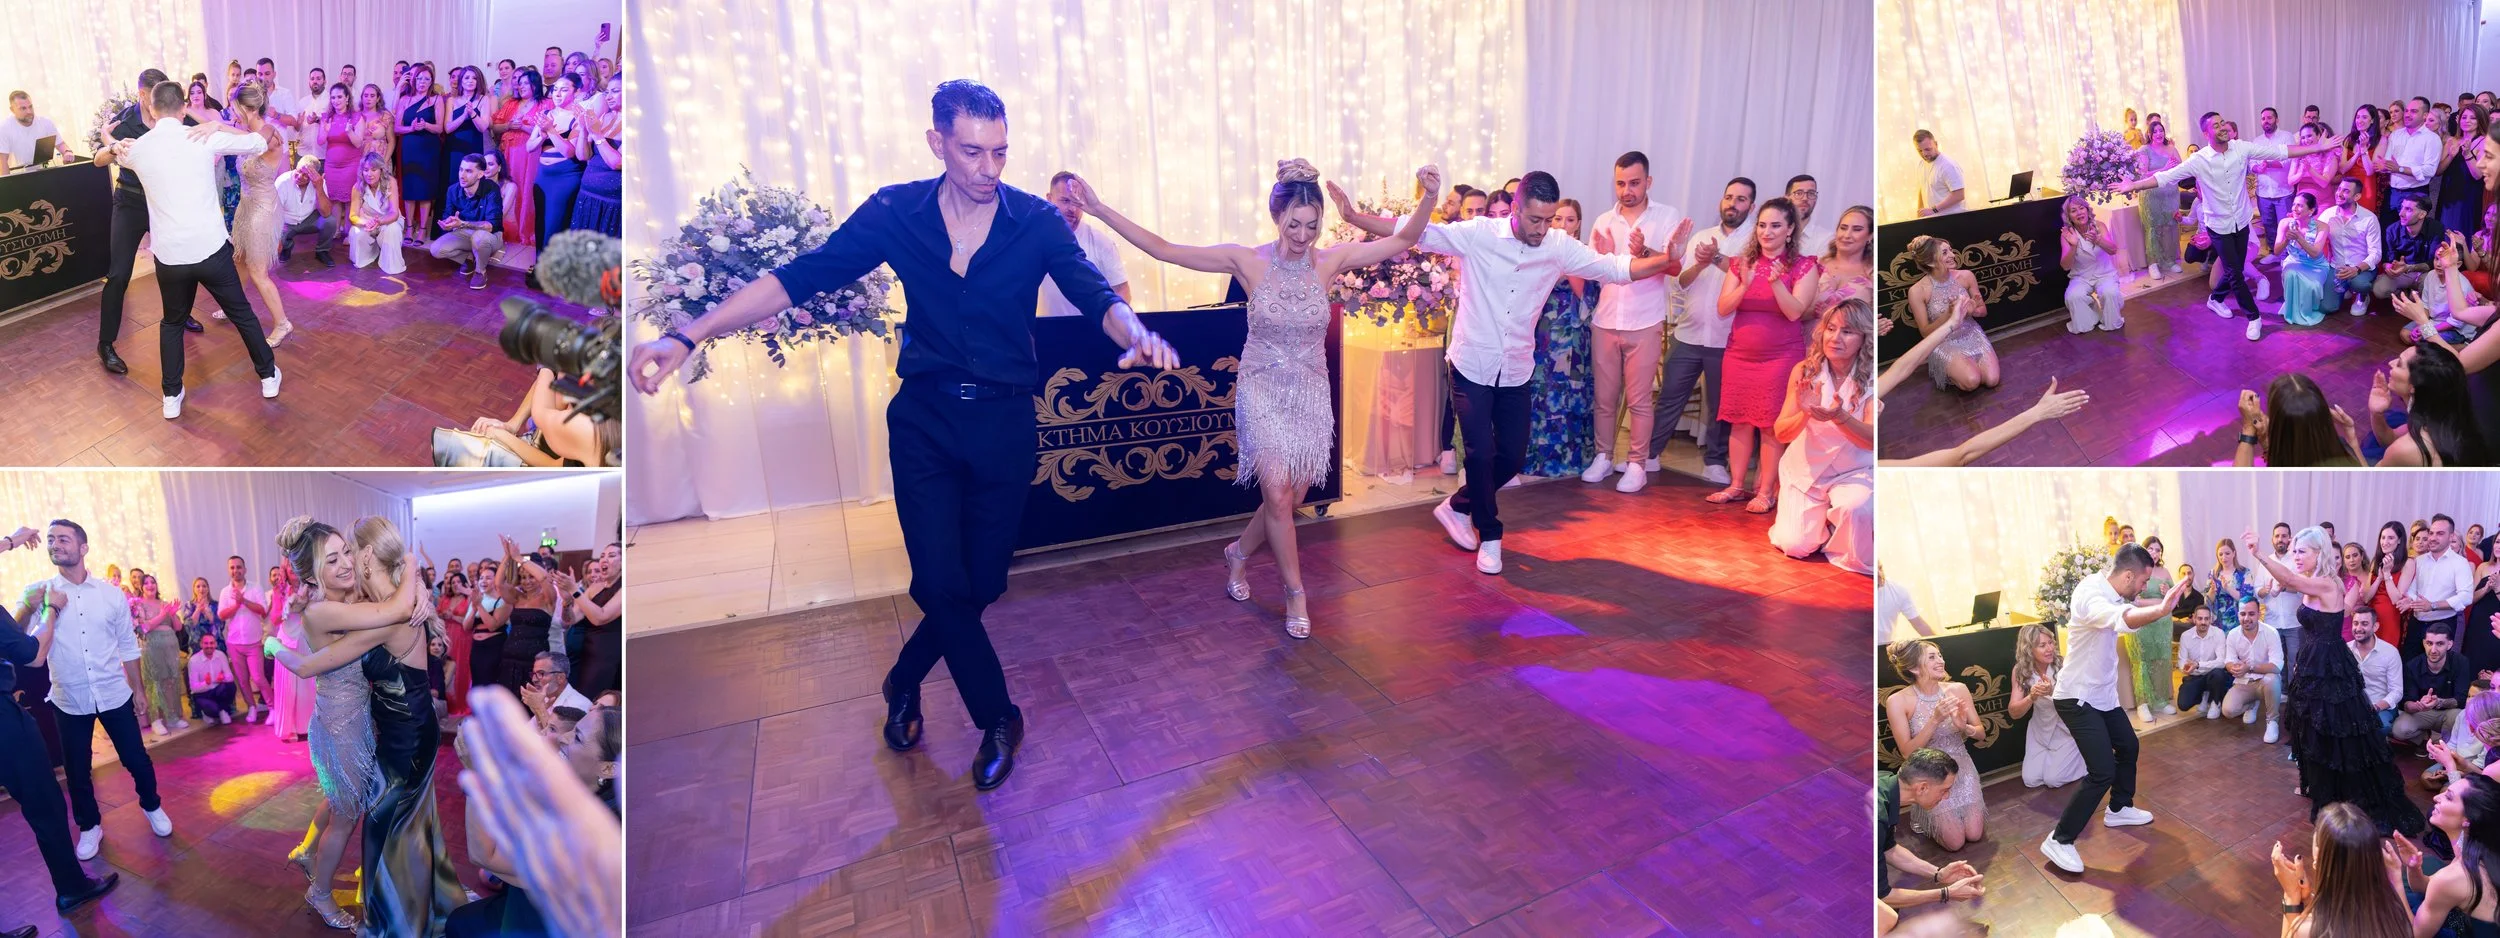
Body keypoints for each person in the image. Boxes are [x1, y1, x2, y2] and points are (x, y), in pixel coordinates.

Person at [626, 80, 1179, 790]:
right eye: (972, 152)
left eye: (1000, 153)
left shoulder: (1036, 221)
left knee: (979, 586)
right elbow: (797, 278)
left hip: (1005, 424)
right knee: (937, 581)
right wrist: (686, 335)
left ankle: (902, 678)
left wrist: (1131, 330)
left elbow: (1089, 289)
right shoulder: (896, 212)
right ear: (937, 142)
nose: (989, 169)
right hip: (925, 420)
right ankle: (999, 717)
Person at [1081, 160, 1436, 635]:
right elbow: (1166, 250)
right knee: (1275, 490)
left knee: (1288, 501)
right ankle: (1295, 594)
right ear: (1277, 216)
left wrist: (1428, 198)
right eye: (1294, 224)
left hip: (1310, 392)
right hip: (1261, 388)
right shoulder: (1247, 261)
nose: (1303, 235)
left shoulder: (1330, 261)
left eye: (1312, 225)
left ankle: (1238, 552)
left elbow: (1402, 240)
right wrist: (1101, 209)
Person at [1334, 173, 1683, 571]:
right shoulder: (1479, 234)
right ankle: (1492, 535)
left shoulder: (1557, 246)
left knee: (1512, 457)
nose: (1543, 228)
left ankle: (1458, 505)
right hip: (1471, 364)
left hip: (1516, 368)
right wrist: (1352, 216)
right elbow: (1412, 232)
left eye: (1550, 219)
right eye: (1535, 219)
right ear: (1515, 210)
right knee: (1481, 453)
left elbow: (1616, 268)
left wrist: (1668, 259)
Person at [268, 516, 463, 936]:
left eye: (346, 553)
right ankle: (320, 892)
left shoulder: (351, 600)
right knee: (348, 814)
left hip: (364, 724)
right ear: (311, 573)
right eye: (332, 559)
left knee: (347, 803)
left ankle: (309, 852)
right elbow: (393, 611)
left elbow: (392, 606)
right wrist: (413, 565)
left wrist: (421, 592)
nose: (343, 564)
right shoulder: (324, 610)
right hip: (342, 728)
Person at [95, 80, 284, 418]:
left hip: (171, 257)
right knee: (241, 313)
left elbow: (103, 158)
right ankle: (268, 375)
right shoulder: (204, 136)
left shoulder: (139, 147)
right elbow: (261, 140)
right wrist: (218, 125)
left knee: (171, 323)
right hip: (210, 249)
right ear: (183, 108)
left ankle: (171, 396)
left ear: (153, 110)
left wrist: (109, 141)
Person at [2246, 525, 2427, 835]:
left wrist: (2257, 553)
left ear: (2319, 553)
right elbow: (2317, 607)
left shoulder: (2328, 584)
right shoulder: (2316, 584)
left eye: (2302, 551)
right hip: (2313, 661)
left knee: (2334, 728)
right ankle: (2320, 785)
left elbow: (2288, 579)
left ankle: (2338, 791)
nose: (2296, 556)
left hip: (2330, 664)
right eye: (2295, 552)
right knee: (2312, 728)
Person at [26, 520, 175, 862]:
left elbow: (127, 645)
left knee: (136, 759)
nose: (54, 544)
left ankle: (152, 806)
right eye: (50, 540)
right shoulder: (42, 592)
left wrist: (138, 689)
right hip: (69, 698)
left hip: (112, 693)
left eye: (63, 539)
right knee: (77, 771)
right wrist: (36, 606)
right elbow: (22, 637)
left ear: (83, 547)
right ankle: (90, 826)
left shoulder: (110, 595)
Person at [2117, 117, 2339, 340]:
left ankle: (2215, 299)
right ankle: (2254, 318)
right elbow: (2164, 177)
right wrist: (2134, 185)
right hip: (2219, 226)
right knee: (2234, 272)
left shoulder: (2241, 148)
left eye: (2222, 123)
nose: (2222, 127)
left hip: (2241, 222)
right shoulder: (2199, 159)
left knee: (2235, 266)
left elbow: (2281, 152)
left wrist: (2317, 147)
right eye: (2215, 125)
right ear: (2206, 134)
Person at [2039, 543, 2188, 875]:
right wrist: (2162, 610)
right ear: (2129, 575)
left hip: (2101, 695)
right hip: (2076, 697)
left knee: (2129, 745)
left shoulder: (2110, 588)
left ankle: (2119, 808)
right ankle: (2060, 839)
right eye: (2142, 582)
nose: (2142, 588)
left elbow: (2126, 612)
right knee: (2102, 770)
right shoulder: (2090, 595)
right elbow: (2121, 618)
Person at [0, 527, 119, 926]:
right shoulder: (49, 594)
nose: (54, 545)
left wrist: (13, 541)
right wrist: (50, 608)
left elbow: (7, 640)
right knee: (45, 803)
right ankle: (72, 887)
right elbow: (32, 655)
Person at [1703, 197, 1823, 514]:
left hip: (1780, 356)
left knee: (1771, 424)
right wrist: (1746, 284)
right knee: (1739, 420)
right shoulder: (1741, 263)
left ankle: (1767, 490)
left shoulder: (1803, 265)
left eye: (1775, 225)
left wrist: (1775, 284)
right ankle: (1736, 485)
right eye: (1761, 225)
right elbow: (1723, 307)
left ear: (1790, 229)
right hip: (1739, 354)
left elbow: (1796, 312)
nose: (1766, 232)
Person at [1579, 151, 1688, 493]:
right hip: (1606, 320)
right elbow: (1591, 272)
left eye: (1634, 183)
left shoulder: (1666, 216)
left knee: (1640, 400)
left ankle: (1638, 463)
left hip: (1645, 321)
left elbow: (1674, 268)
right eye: (1621, 183)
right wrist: (1602, 255)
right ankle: (1603, 456)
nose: (1627, 190)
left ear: (1648, 182)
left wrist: (1643, 252)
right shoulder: (1602, 220)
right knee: (1604, 397)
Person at [1648, 177, 1753, 486]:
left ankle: (1715, 461)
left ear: (1752, 206)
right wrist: (1701, 263)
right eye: (1729, 197)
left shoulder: (1755, 242)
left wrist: (1716, 259)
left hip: (1729, 340)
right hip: (1688, 335)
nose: (1733, 203)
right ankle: (1650, 455)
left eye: (1741, 199)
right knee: (1669, 398)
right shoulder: (1700, 237)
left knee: (1722, 406)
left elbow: (1748, 275)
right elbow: (1682, 281)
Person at [95, 69, 189, 377]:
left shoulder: (171, 117)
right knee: (119, 274)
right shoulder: (124, 120)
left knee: (178, 262)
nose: (159, 102)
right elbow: (98, 159)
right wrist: (111, 147)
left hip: (160, 201)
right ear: (142, 95)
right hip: (130, 202)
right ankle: (105, 344)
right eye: (153, 96)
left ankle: (181, 315)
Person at [1768, 297, 1873, 573]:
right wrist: (1805, 412)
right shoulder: (1804, 371)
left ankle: (1837, 516)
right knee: (1795, 546)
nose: (1835, 338)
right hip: (1806, 471)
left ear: (1864, 339)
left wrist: (1842, 417)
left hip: (1854, 470)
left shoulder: (1873, 378)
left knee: (1857, 510)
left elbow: (1872, 441)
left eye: (1847, 331)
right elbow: (1780, 433)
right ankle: (1820, 519)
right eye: (1831, 328)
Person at [1884, 639, 1985, 851]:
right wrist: (1935, 720)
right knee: (1955, 843)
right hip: (1928, 778)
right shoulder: (1898, 701)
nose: (1941, 660)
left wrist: (1963, 727)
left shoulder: (1958, 689)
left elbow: (1981, 734)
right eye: (1932, 657)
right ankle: (1921, 813)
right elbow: (1906, 752)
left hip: (1962, 769)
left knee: (1975, 835)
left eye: (1939, 655)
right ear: (1913, 668)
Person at [1522, 197, 1597, 479]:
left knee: (1572, 397)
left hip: (1575, 336)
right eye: (1558, 219)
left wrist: (1570, 268)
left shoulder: (1585, 254)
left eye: (1569, 219)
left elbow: (1591, 300)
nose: (1563, 225)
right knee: (1539, 395)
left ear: (1578, 225)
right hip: (1541, 335)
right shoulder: (1536, 251)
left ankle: (1572, 459)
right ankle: (1535, 459)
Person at [1874, 748, 1985, 935]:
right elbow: (1882, 896)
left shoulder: (1885, 783)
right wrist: (1946, 894)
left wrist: (1938, 874)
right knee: (1887, 918)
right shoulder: (1876, 816)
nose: (1947, 796)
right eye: (1945, 790)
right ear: (1922, 787)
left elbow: (1888, 849)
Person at [2271, 802, 2413, 936]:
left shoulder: (2308, 930)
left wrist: (2291, 896)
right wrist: (2308, 899)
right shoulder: (2395, 911)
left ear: (2319, 859)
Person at [226, 84, 297, 346]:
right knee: (240, 258)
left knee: (257, 270)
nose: (233, 113)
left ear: (248, 108)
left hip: (263, 208)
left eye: (235, 108)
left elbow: (261, 136)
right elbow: (227, 130)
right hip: (247, 204)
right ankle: (233, 304)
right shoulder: (249, 133)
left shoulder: (269, 136)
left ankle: (282, 323)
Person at [1901, 235, 1997, 391]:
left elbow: (1982, 311)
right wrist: (1949, 315)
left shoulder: (1966, 276)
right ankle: (1947, 370)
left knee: (1992, 380)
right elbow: (1925, 333)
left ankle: (1965, 367)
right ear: (1930, 262)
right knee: (1972, 381)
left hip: (1972, 334)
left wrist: (1972, 312)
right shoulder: (1918, 291)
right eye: (1945, 253)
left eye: (1950, 250)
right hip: (1944, 341)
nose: (1953, 255)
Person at [1036, 171, 1131, 317]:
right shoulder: (1036, 239)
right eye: (1065, 201)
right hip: (1047, 330)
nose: (1072, 209)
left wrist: (1116, 329)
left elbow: (1121, 291)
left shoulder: (1102, 242)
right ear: (1049, 199)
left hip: (1095, 331)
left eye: (1077, 202)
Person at [2009, 622, 2086, 787]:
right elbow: (2014, 712)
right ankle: (2053, 761)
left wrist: (2053, 692)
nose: (2049, 648)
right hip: (2040, 731)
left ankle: (2084, 755)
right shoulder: (2020, 671)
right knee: (2031, 780)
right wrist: (2032, 696)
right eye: (2042, 645)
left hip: (2066, 730)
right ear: (2029, 649)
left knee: (2054, 780)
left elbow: (2080, 702)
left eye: (2051, 643)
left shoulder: (2064, 665)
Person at [2409, 515, 2476, 665]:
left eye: (2440, 534)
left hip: (2443, 624)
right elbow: (2411, 590)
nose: (2433, 538)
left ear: (2451, 536)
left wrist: (2433, 605)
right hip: (2416, 623)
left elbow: (2466, 597)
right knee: (2411, 667)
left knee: (2440, 672)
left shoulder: (2459, 563)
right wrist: (2413, 601)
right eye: (2431, 533)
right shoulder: (2419, 561)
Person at [432, 153, 505, 289]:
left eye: (468, 171)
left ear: (480, 174)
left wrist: (463, 224)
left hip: (491, 235)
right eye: (461, 169)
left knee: (480, 238)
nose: (462, 175)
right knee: (436, 250)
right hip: (465, 232)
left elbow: (492, 225)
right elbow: (447, 214)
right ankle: (470, 258)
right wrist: (447, 223)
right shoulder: (453, 190)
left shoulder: (491, 189)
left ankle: (480, 271)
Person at [491, 68, 547, 247]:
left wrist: (523, 127)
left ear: (535, 84)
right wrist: (508, 125)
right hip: (508, 150)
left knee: (526, 188)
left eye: (526, 83)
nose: (521, 86)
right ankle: (502, 228)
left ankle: (525, 230)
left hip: (530, 152)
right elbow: (495, 127)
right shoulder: (510, 104)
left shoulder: (545, 104)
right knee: (507, 186)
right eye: (520, 83)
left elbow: (545, 132)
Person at [2397, 622, 2473, 745]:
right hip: (2422, 712)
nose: (2433, 650)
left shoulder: (2460, 662)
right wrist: (2418, 705)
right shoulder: (2413, 665)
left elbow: (2462, 699)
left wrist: (2439, 702)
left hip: (2449, 712)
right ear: (2423, 643)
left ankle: (2445, 744)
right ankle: (2424, 739)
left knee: (2460, 715)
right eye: (2429, 643)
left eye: (2439, 644)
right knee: (2399, 730)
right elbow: (2406, 703)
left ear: (2450, 644)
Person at [218, 554, 272, 723]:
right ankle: (251, 707)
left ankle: (273, 708)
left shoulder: (255, 588)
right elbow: (221, 614)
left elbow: (263, 610)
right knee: (242, 681)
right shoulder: (225, 592)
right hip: (234, 643)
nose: (236, 570)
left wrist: (244, 601)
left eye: (239, 567)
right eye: (232, 568)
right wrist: (236, 604)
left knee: (258, 678)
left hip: (254, 643)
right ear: (229, 570)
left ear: (245, 569)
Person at [2060, 194, 2125, 332]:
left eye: (2081, 208)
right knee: (2073, 297)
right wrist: (2073, 246)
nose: (2079, 213)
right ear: (2069, 216)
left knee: (2110, 293)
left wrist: (2098, 240)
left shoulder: (2099, 225)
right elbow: (2065, 266)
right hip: (2081, 277)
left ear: (2087, 210)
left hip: (2105, 274)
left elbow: (2113, 250)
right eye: (2073, 210)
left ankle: (2109, 316)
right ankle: (2094, 314)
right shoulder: (2067, 234)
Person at [2272, 191, 2337, 326]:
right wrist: (2286, 240)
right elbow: (2277, 251)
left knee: (2312, 286)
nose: (2295, 208)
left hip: (2316, 265)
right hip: (2294, 261)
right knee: (2290, 273)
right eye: (2294, 204)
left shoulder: (2322, 227)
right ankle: (2292, 311)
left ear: (2311, 210)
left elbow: (2315, 253)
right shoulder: (2285, 223)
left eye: (2300, 206)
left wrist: (2299, 238)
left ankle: (2307, 310)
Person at [130, 575, 185, 736]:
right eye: (146, 583)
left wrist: (173, 614)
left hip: (170, 647)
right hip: (152, 647)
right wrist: (162, 615)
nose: (150, 585)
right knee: (154, 683)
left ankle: (172, 716)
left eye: (153, 582)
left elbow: (178, 627)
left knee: (171, 680)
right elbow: (143, 629)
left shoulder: (165, 603)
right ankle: (156, 720)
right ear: (141, 587)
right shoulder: (138, 605)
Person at [2321, 177, 2384, 316]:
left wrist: (2357, 269)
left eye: (2345, 191)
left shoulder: (2369, 218)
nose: (2339, 193)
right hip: (2337, 266)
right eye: (2339, 189)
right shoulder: (2328, 214)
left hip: (2361, 268)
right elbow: (2314, 233)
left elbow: (2376, 253)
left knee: (2360, 284)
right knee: (2327, 308)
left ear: (2357, 196)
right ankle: (2345, 287)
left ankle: (2362, 296)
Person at [395, 63, 442, 243]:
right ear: (414, 80)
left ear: (431, 82)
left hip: (429, 148)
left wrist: (427, 126)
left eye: (427, 79)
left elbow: (440, 127)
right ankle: (409, 228)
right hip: (410, 146)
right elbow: (398, 128)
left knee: (425, 189)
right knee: (410, 188)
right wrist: (412, 128)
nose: (422, 82)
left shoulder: (436, 100)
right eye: (420, 78)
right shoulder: (404, 99)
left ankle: (422, 229)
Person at [569, 79, 623, 238]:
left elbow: (617, 163)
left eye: (616, 91)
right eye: (607, 92)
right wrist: (584, 130)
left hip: (611, 204)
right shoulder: (604, 117)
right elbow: (582, 155)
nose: (609, 97)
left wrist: (597, 134)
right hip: (587, 197)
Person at [2137, 117, 2186, 276]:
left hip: (2170, 194)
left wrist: (2176, 170)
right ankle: (2153, 264)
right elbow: (2142, 174)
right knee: (2153, 229)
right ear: (2150, 134)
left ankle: (2169, 261)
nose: (2159, 133)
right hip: (2152, 196)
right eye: (2155, 131)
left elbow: (2181, 168)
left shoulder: (2171, 148)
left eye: (2161, 130)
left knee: (2170, 227)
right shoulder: (2144, 150)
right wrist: (2164, 169)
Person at [2391, 97, 2447, 226]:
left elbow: (2430, 170)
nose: (2408, 114)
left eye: (2414, 111)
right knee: (2391, 231)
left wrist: (2399, 168)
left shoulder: (2432, 139)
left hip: (2416, 192)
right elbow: (2388, 162)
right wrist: (2383, 165)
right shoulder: (2396, 135)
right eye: (2407, 111)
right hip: (2393, 191)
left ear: (2425, 115)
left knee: (2413, 235)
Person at [275, 155, 336, 267]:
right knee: (279, 236)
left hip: (309, 219)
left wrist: (319, 187)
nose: (299, 177)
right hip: (286, 222)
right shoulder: (282, 182)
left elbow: (326, 213)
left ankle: (322, 251)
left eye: (305, 175)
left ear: (314, 176)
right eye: (298, 172)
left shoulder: (319, 183)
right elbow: (274, 213)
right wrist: (277, 238)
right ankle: (286, 247)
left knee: (330, 221)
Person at [2250, 107, 2298, 252]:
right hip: (2263, 193)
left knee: (2286, 226)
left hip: (2283, 192)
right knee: (2269, 226)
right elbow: (2252, 162)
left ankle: (2288, 255)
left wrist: (2268, 163)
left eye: (2269, 118)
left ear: (2277, 120)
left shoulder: (2286, 137)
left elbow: (2289, 160)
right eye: (2263, 118)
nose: (2266, 121)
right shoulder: (2256, 141)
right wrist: (2257, 168)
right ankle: (2274, 253)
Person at [2351, 611, 2404, 736]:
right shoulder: (2345, 650)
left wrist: (2376, 707)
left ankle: (2378, 752)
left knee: (2379, 726)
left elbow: (2397, 691)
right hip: (2352, 705)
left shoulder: (2390, 652)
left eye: (2364, 624)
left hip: (2380, 706)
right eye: (2355, 623)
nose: (2358, 628)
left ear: (2375, 627)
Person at [2176, 605, 2233, 717]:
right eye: (2200, 618)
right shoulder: (2185, 636)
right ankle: (2205, 695)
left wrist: (2198, 665)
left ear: (2211, 619)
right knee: (2183, 704)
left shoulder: (2219, 633)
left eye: (2206, 619)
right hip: (2195, 676)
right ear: (2194, 619)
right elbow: (2182, 663)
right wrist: (2187, 668)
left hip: (2212, 675)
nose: (2203, 622)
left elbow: (2222, 662)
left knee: (2218, 674)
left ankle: (2215, 702)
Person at [0, 90, 60, 173]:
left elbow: (60, 144)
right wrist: (6, 185)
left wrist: (67, 152)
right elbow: (2, 162)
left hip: (45, 173)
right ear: (12, 110)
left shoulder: (45, 122)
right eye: (23, 108)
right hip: (18, 178)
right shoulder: (4, 128)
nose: (29, 111)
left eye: (30, 107)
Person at [1910, 129, 1965, 216]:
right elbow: (1923, 188)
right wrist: (1919, 214)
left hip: (1954, 219)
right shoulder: (1921, 164)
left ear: (1936, 144)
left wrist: (1934, 210)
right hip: (1934, 220)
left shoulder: (1948, 165)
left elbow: (1959, 195)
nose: (1924, 154)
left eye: (1927, 149)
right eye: (1920, 150)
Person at [187, 632, 236, 724]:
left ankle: (222, 711)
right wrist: (206, 683)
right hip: (203, 693)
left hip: (218, 689)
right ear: (201, 644)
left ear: (216, 644)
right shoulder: (194, 661)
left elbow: (230, 677)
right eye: (206, 643)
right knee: (212, 709)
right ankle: (207, 713)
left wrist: (222, 678)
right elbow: (194, 688)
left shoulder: (221, 655)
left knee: (230, 687)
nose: (209, 646)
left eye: (212, 643)